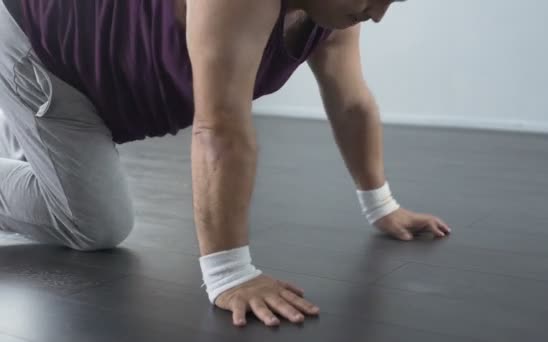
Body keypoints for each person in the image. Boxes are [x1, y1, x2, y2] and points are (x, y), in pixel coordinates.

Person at [0, 0, 452, 328]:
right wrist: (230, 275)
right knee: (94, 225)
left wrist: (382, 205)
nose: (378, 13)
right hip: (38, 47)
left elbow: (352, 103)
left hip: (94, 78)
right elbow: (219, 128)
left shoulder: (333, 15)